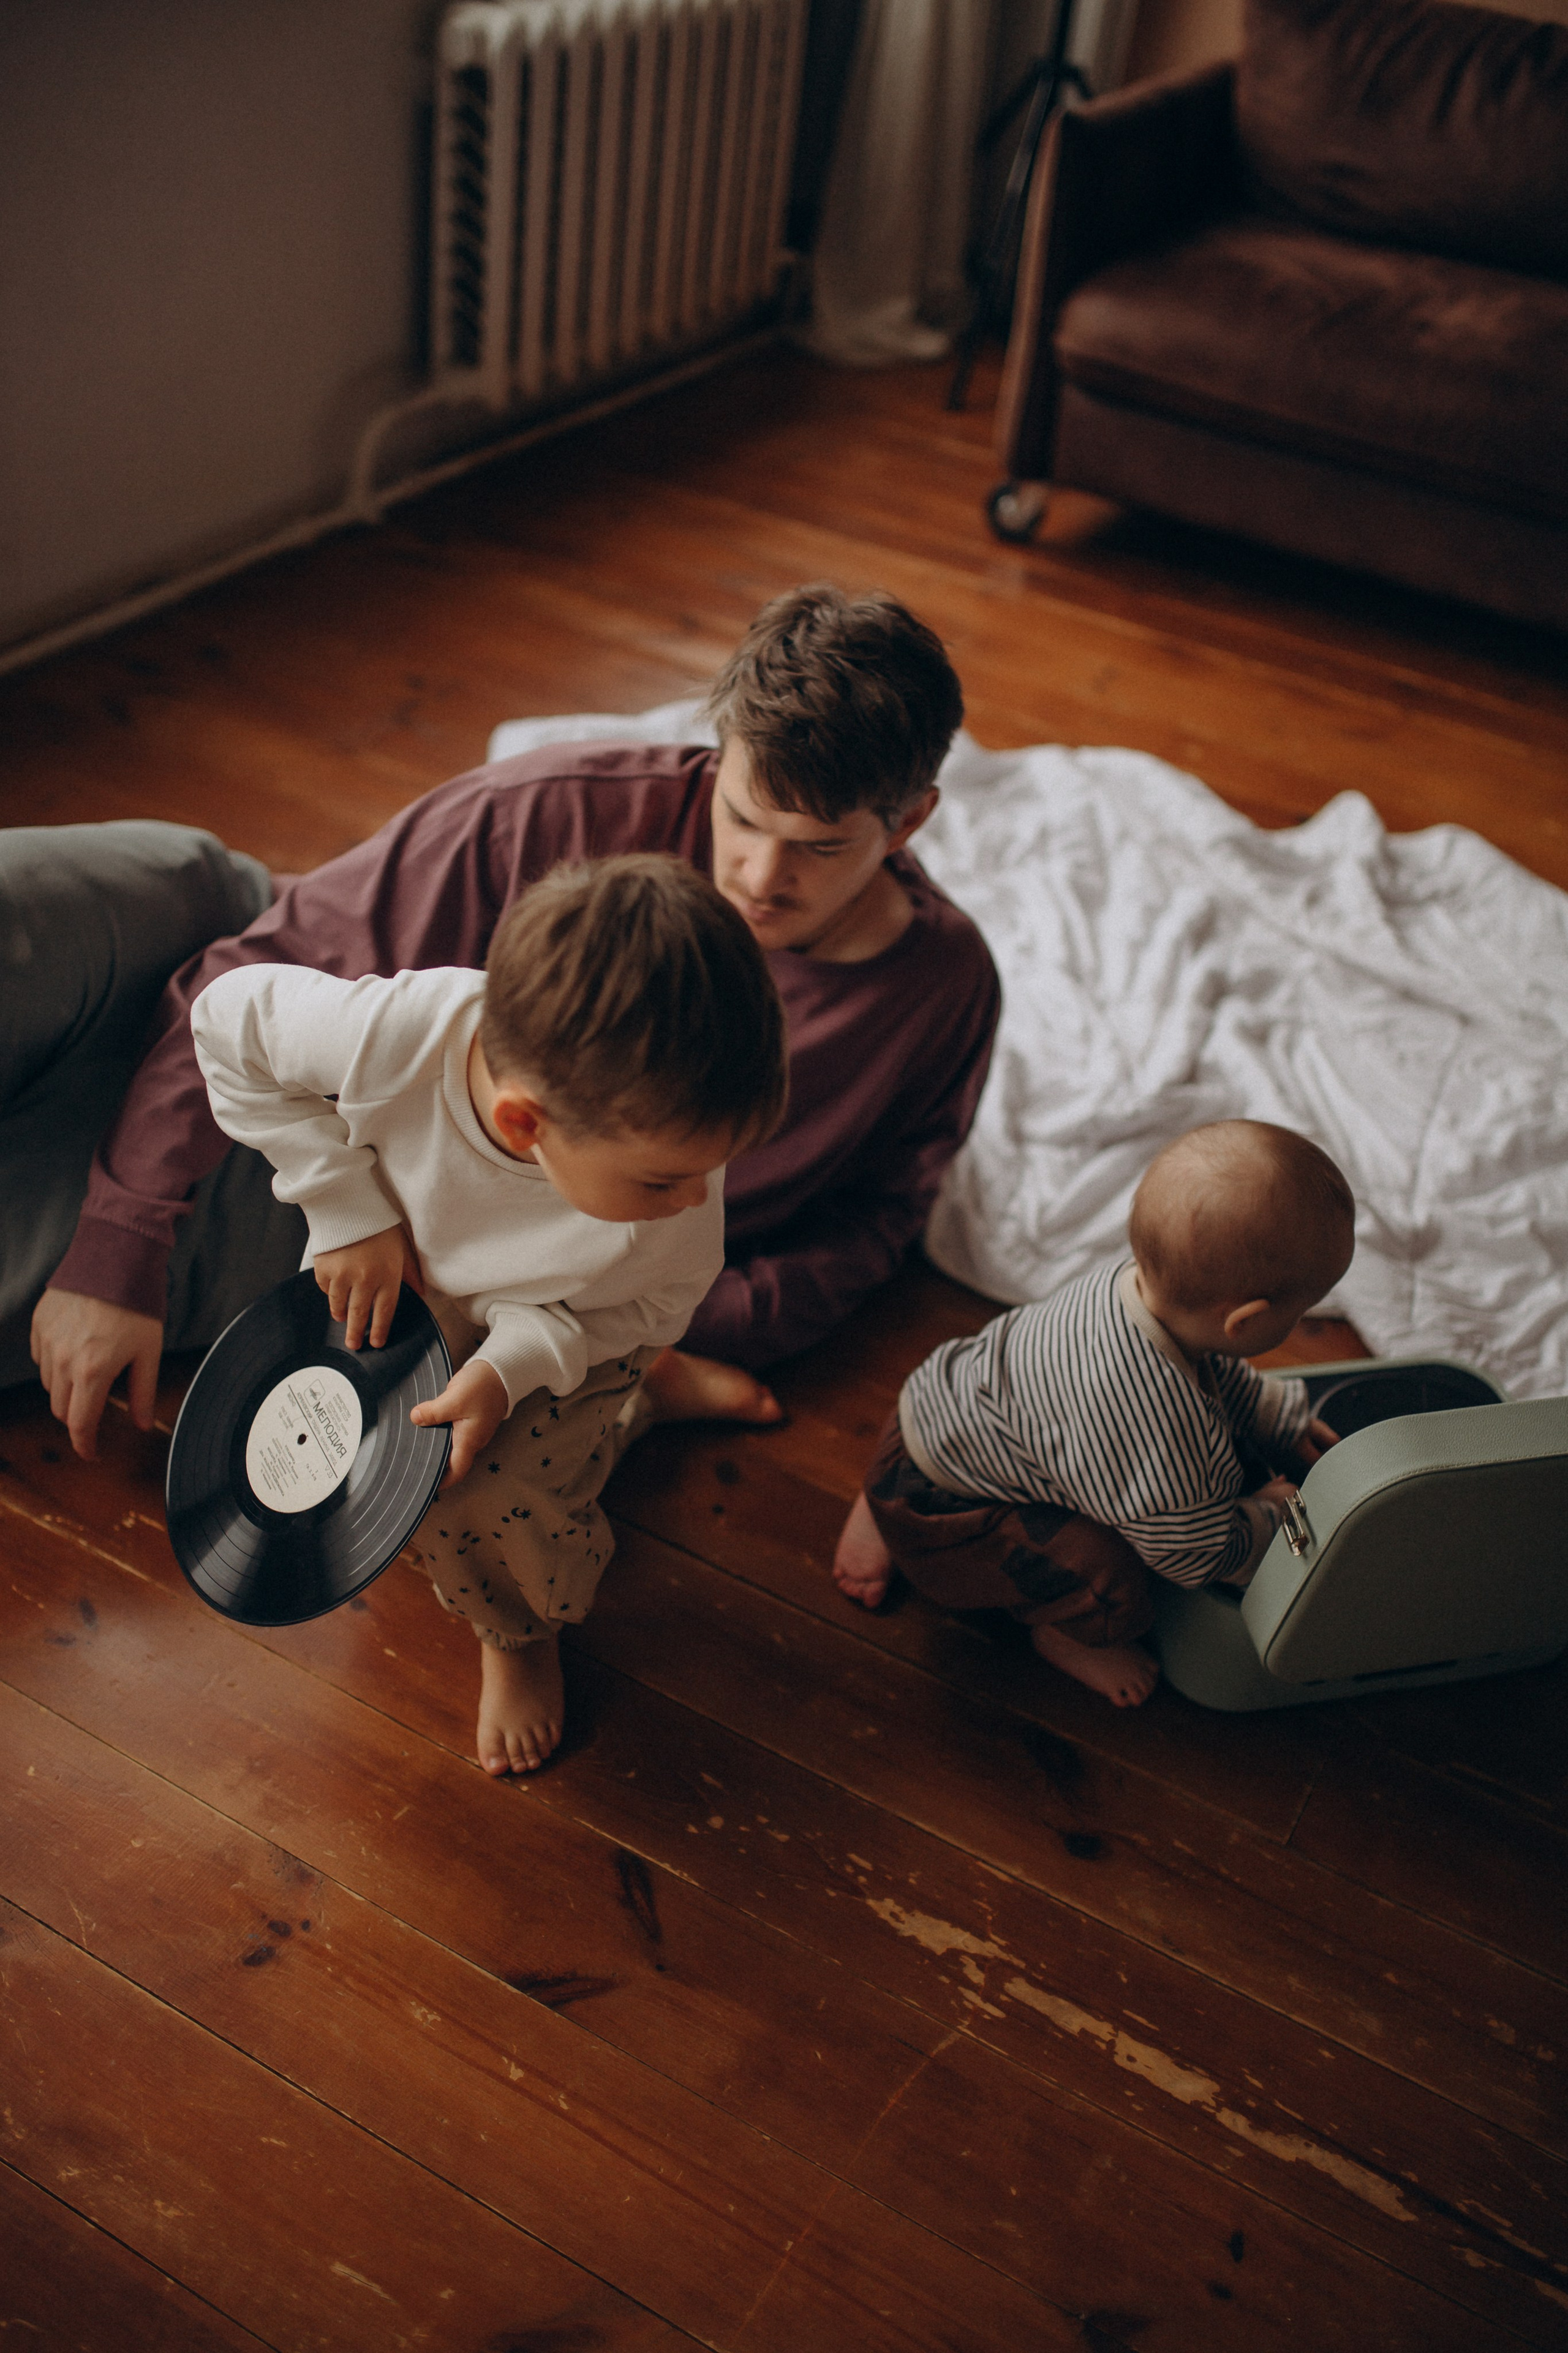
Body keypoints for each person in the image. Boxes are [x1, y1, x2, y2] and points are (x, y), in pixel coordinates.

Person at [24, 584, 1000, 1459]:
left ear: (910, 821)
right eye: (742, 817)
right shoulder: (549, 811)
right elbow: (247, 983)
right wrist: (120, 1239)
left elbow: (877, 1218)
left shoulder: (941, 992)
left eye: (818, 848)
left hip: (345, 1220)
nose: (759, 877)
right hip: (262, 987)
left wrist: (648, 1333)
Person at [192, 855, 788, 1773]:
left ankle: (516, 1631)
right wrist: (343, 1206)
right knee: (366, 1456)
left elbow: (644, 1304)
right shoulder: (393, 1033)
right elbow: (223, 1020)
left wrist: (508, 1370)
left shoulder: (674, 1220)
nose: (694, 1200)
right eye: (663, 1179)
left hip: (574, 1324)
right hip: (404, 1277)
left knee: (478, 1500)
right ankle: (648, 1395)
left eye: (714, 1166)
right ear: (522, 1125)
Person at [832, 1122, 1355, 1707]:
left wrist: (1277, 1418)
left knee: (936, 1461)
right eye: (1300, 1311)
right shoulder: (1157, 1422)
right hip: (950, 1515)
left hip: (928, 1414)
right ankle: (1065, 1632)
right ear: (1246, 1320)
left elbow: (1215, 1367)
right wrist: (1269, 1517)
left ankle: (880, 1497)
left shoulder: (1136, 1287)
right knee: (1106, 1571)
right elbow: (1192, 1552)